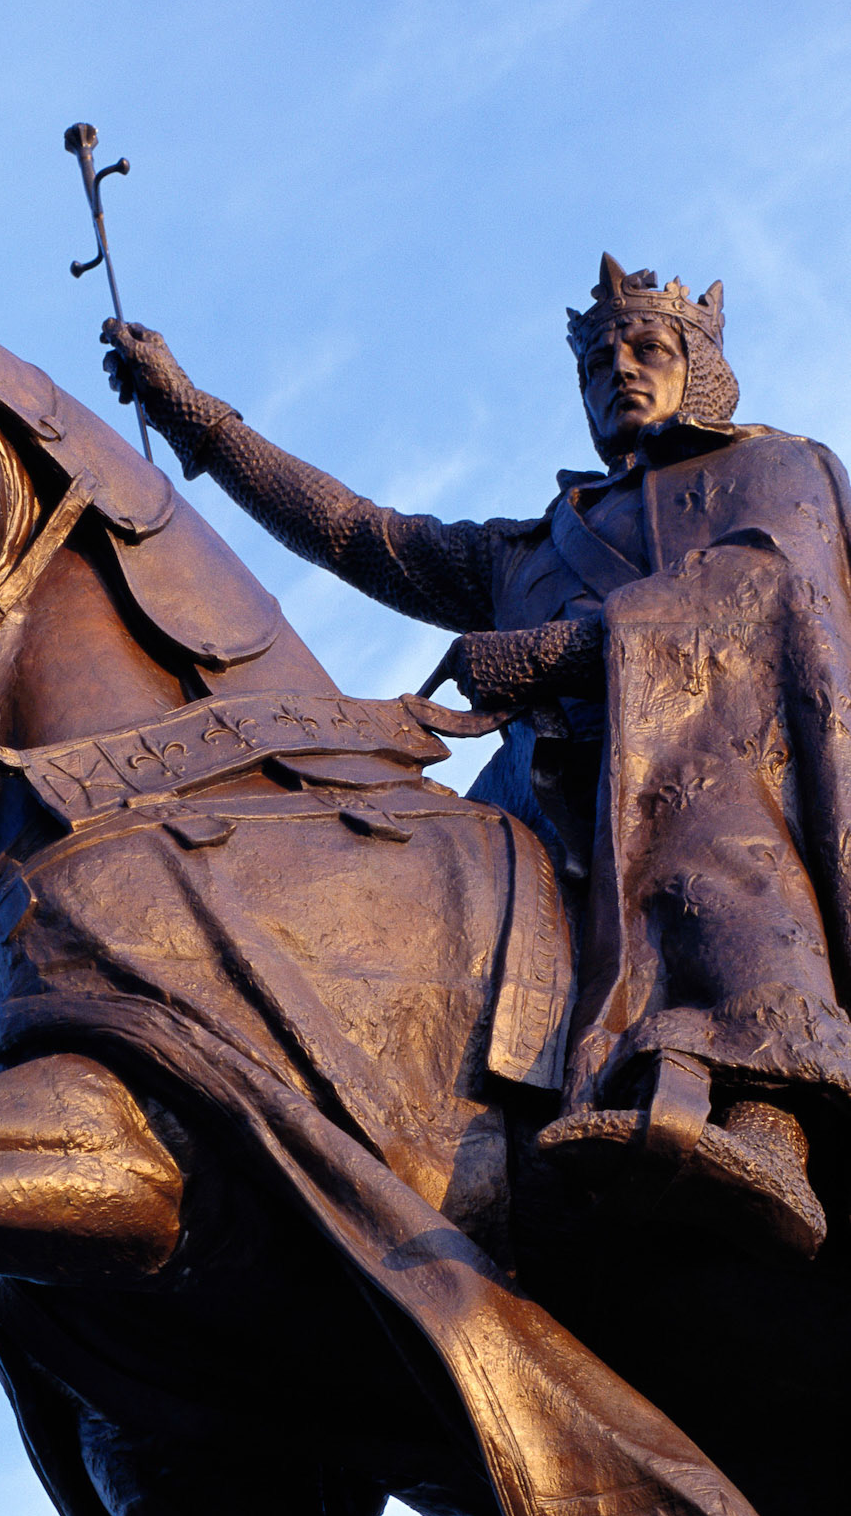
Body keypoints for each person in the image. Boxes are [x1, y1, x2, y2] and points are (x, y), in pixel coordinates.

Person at [102, 257, 851, 1261]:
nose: (620, 371)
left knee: (704, 829)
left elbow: (757, 591)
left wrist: (564, 648)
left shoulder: (773, 468)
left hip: (727, 769)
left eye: (648, 350)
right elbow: (360, 535)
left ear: (700, 366)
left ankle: (769, 1123)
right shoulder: (528, 551)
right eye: (599, 362)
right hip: (548, 797)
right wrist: (198, 419)